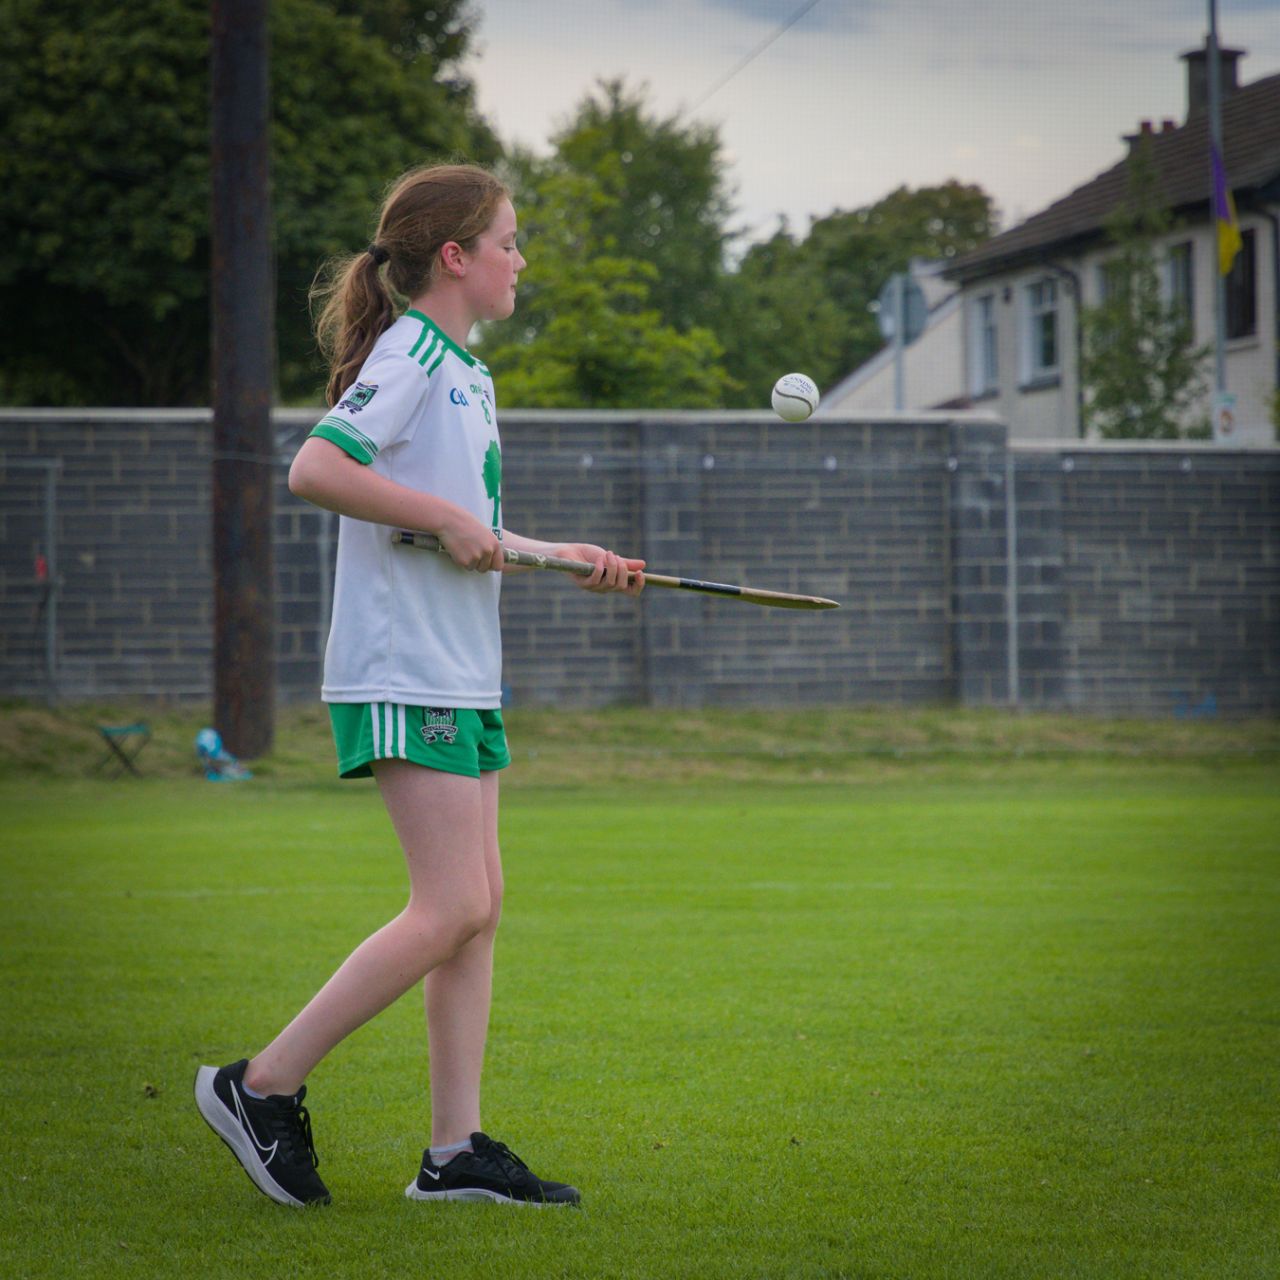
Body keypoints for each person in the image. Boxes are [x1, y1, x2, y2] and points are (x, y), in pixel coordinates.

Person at [194, 163, 645, 1210]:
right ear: (456, 256)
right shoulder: (410, 354)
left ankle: (454, 1152)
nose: (519, 259)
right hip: (403, 667)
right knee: (449, 905)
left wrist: (554, 552)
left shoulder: (465, 373)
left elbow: (456, 524)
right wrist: (447, 522)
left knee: (476, 910)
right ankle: (259, 1084)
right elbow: (318, 468)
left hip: (459, 667)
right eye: (508, 241)